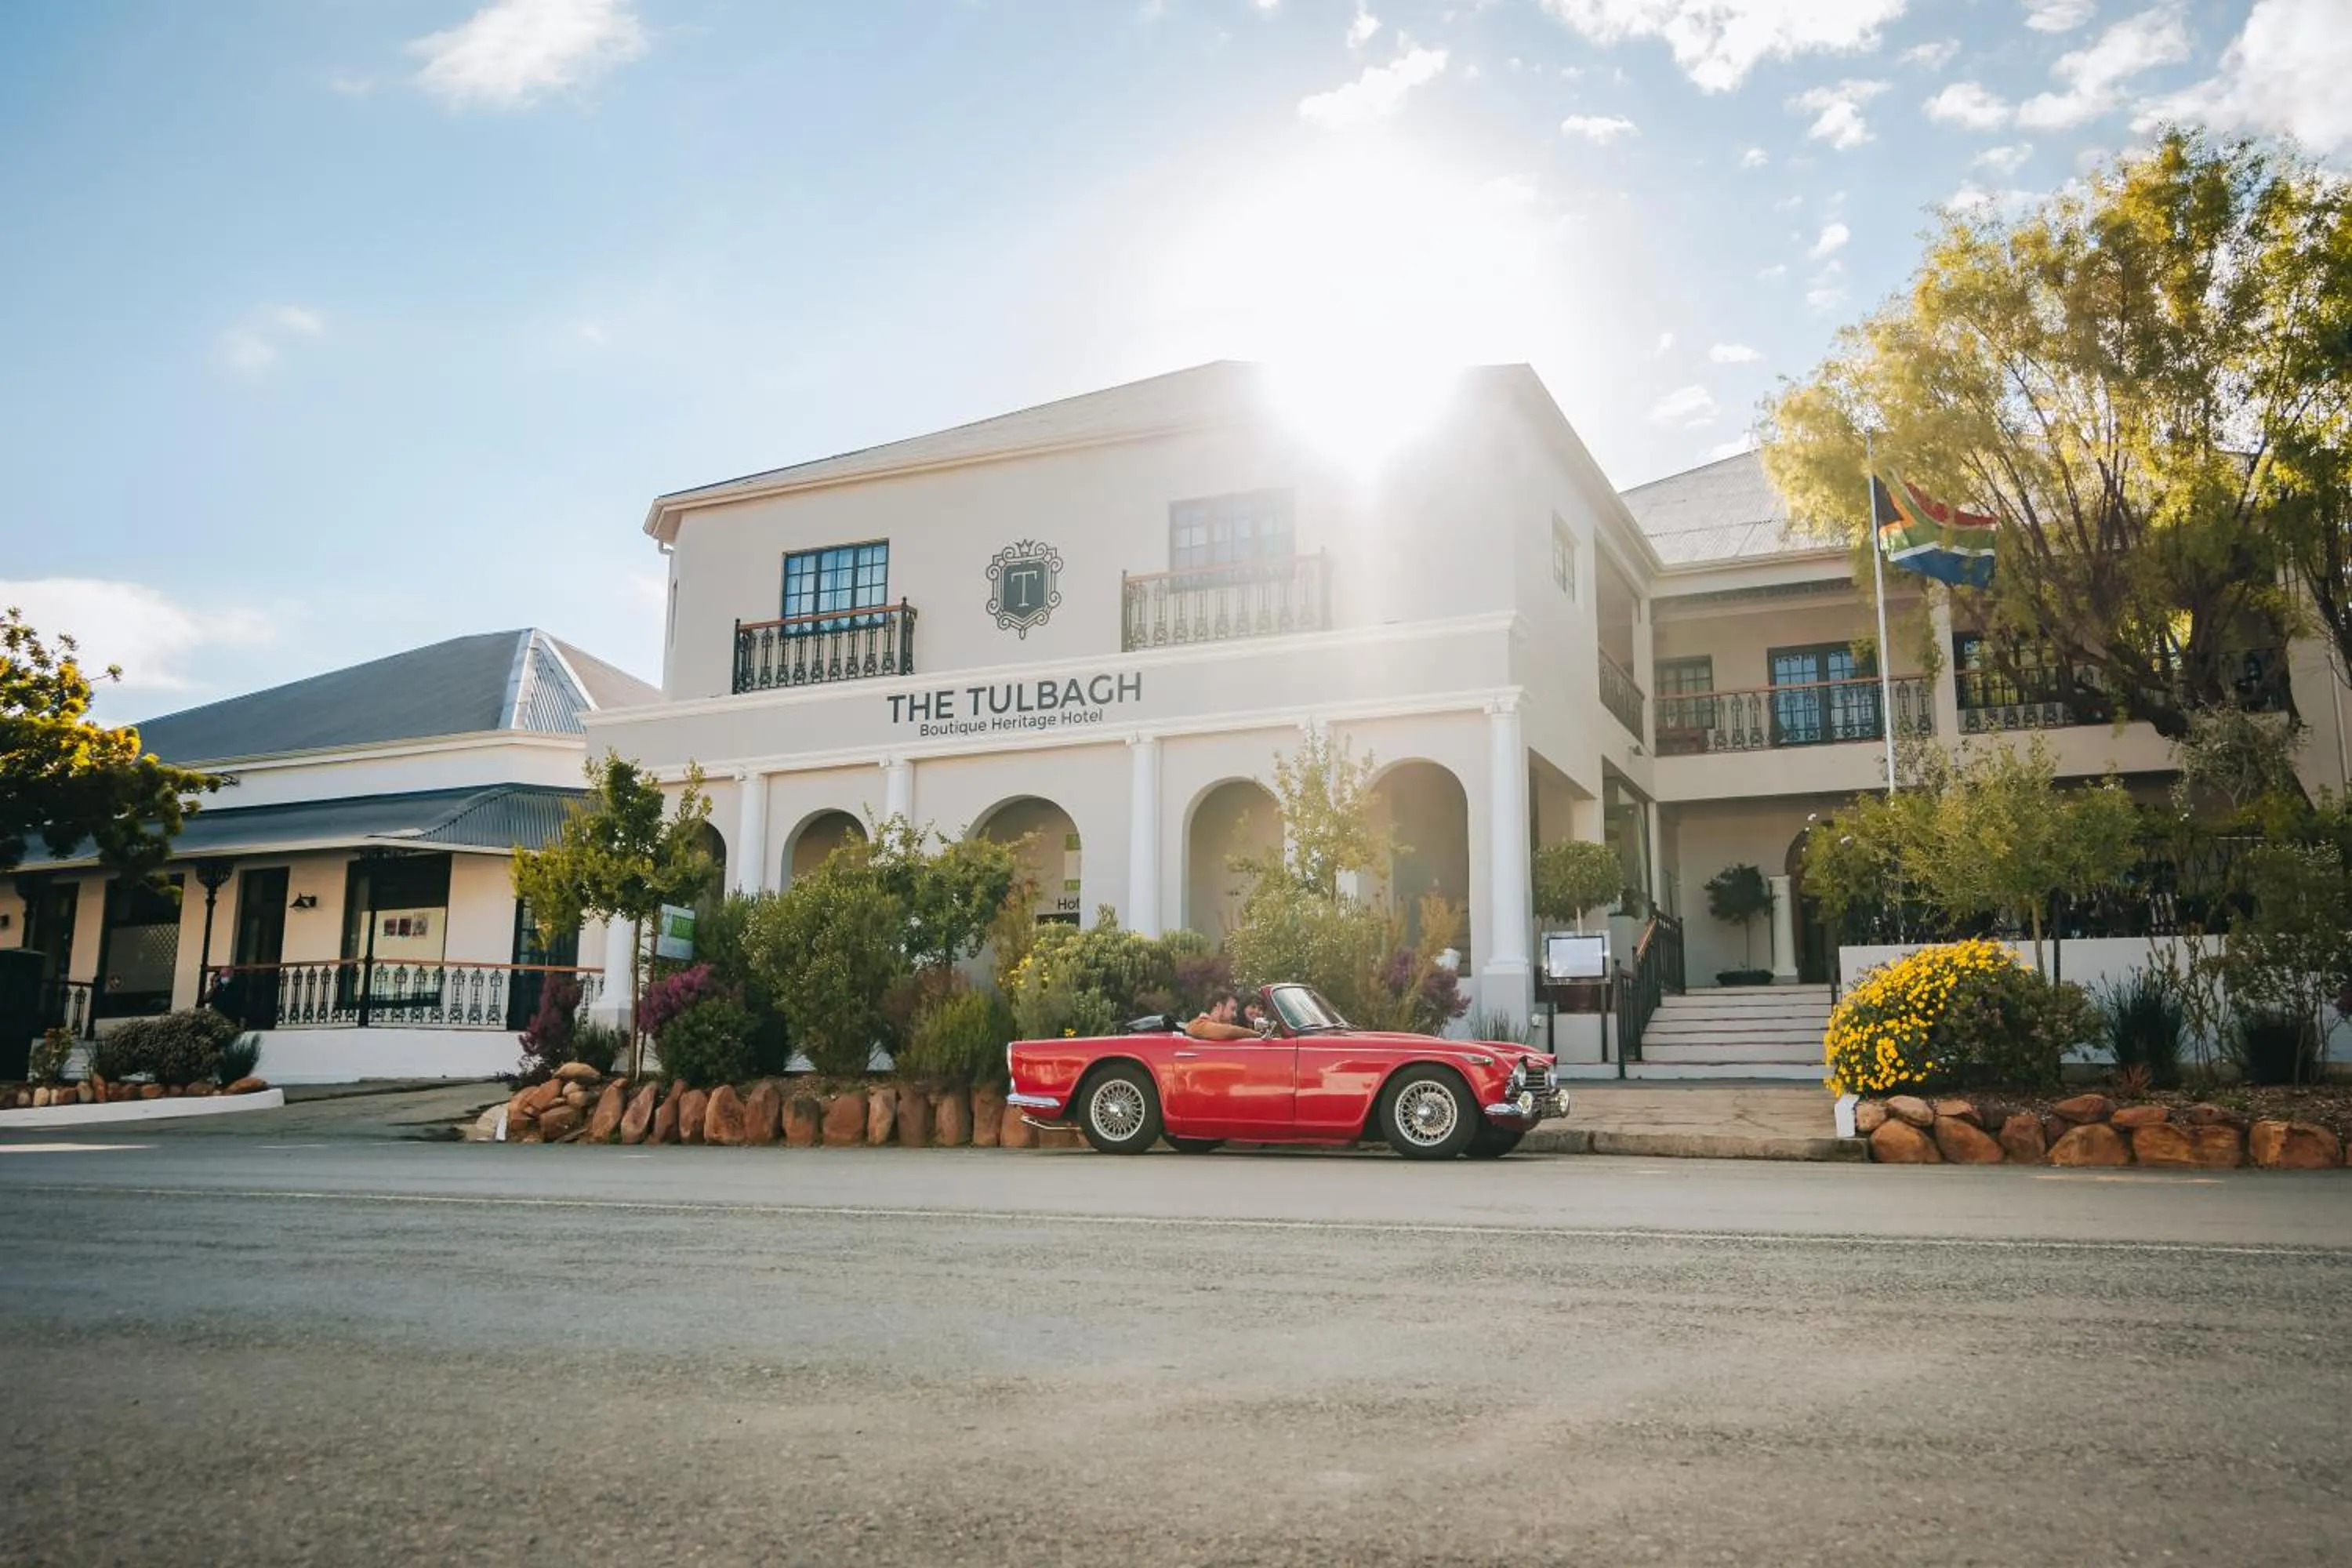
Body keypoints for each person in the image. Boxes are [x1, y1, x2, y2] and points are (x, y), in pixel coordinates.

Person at [1184, 989, 1260, 1042]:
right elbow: (1228, 1031)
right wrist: (1257, 1035)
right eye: (1232, 1009)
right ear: (1219, 1007)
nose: (1235, 1015)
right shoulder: (1196, 1025)